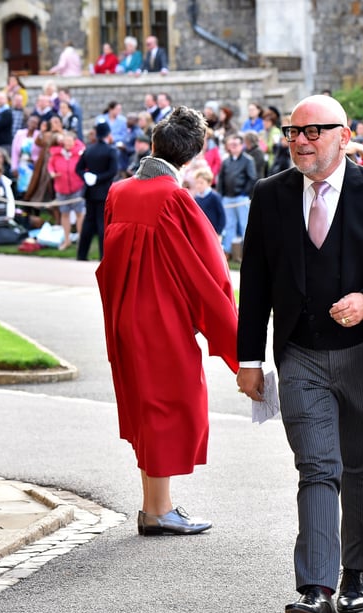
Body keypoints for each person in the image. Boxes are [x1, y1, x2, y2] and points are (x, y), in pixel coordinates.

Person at [237, 94, 363, 613]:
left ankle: (355, 569)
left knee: (360, 466)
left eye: (314, 131)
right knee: (317, 467)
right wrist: (249, 358)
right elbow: (253, 285)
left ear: (345, 136)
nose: (300, 140)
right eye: (293, 132)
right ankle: (316, 589)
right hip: (298, 354)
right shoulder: (268, 194)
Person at [96, 106, 239, 536]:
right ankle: (159, 511)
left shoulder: (119, 192)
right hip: (159, 321)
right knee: (169, 406)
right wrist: (232, 333)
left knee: (147, 405)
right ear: (193, 156)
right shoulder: (175, 198)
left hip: (124, 316)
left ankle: (154, 505)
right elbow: (208, 270)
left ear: (153, 145)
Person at [74, 122, 118, 261]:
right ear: (108, 134)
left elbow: (78, 168)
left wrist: (87, 176)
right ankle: (103, 256)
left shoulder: (89, 149)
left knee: (88, 224)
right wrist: (98, 178)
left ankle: (82, 255)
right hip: (104, 191)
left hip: (90, 191)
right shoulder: (111, 150)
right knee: (102, 225)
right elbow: (112, 171)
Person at [217, 133, 257, 259]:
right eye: (231, 144)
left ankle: (247, 252)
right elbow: (221, 179)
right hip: (227, 198)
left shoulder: (248, 160)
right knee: (229, 225)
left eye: (235, 144)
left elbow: (252, 178)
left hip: (241, 198)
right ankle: (228, 251)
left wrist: (245, 193)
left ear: (241, 145)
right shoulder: (226, 161)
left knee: (244, 225)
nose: (233, 147)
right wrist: (221, 195)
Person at [47, 130, 86, 250]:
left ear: (75, 142)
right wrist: (52, 173)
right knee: (65, 214)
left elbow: (86, 167)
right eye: (66, 141)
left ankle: (81, 239)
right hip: (61, 188)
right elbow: (50, 166)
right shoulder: (56, 154)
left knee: (80, 213)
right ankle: (67, 240)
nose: (68, 143)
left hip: (77, 188)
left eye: (70, 141)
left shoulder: (80, 154)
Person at [191, 167, 225, 237]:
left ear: (209, 183)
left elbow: (222, 216)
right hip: (202, 233)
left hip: (214, 232)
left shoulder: (215, 197)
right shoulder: (196, 199)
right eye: (197, 183)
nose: (198, 185)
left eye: (201, 183)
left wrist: (219, 233)